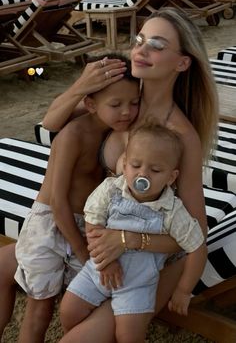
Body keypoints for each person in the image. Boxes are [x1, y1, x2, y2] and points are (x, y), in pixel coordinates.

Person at [0, 7, 219, 343]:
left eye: (157, 45)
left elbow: (195, 233)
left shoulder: (178, 134)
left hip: (147, 256)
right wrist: (80, 86)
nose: (141, 50)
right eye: (140, 40)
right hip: (103, 232)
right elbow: (51, 123)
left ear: (182, 63)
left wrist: (129, 241)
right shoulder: (122, 101)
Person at [0, 53, 140, 343]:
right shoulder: (73, 134)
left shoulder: (115, 132)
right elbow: (57, 202)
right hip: (50, 223)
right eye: (116, 105)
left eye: (133, 103)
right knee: (40, 308)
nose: (126, 112)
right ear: (90, 104)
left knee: (80, 303)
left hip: (85, 224)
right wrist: (80, 247)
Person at [59, 122, 207, 343]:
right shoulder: (111, 190)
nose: (143, 174)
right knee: (68, 310)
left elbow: (197, 247)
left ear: (171, 177)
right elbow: (93, 223)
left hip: (138, 284)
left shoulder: (172, 210)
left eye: (155, 170)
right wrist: (106, 262)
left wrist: (184, 290)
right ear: (125, 164)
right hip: (100, 269)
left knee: (129, 335)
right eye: (135, 165)